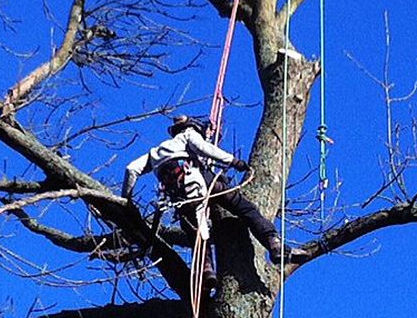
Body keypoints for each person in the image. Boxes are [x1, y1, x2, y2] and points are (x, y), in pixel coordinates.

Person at [121, 116, 309, 288]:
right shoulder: (188, 134)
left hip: (179, 196)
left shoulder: (154, 153)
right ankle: (274, 244)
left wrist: (126, 200)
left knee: (194, 231)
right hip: (200, 179)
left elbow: (131, 169)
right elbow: (205, 149)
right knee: (245, 208)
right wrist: (233, 161)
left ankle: (206, 270)